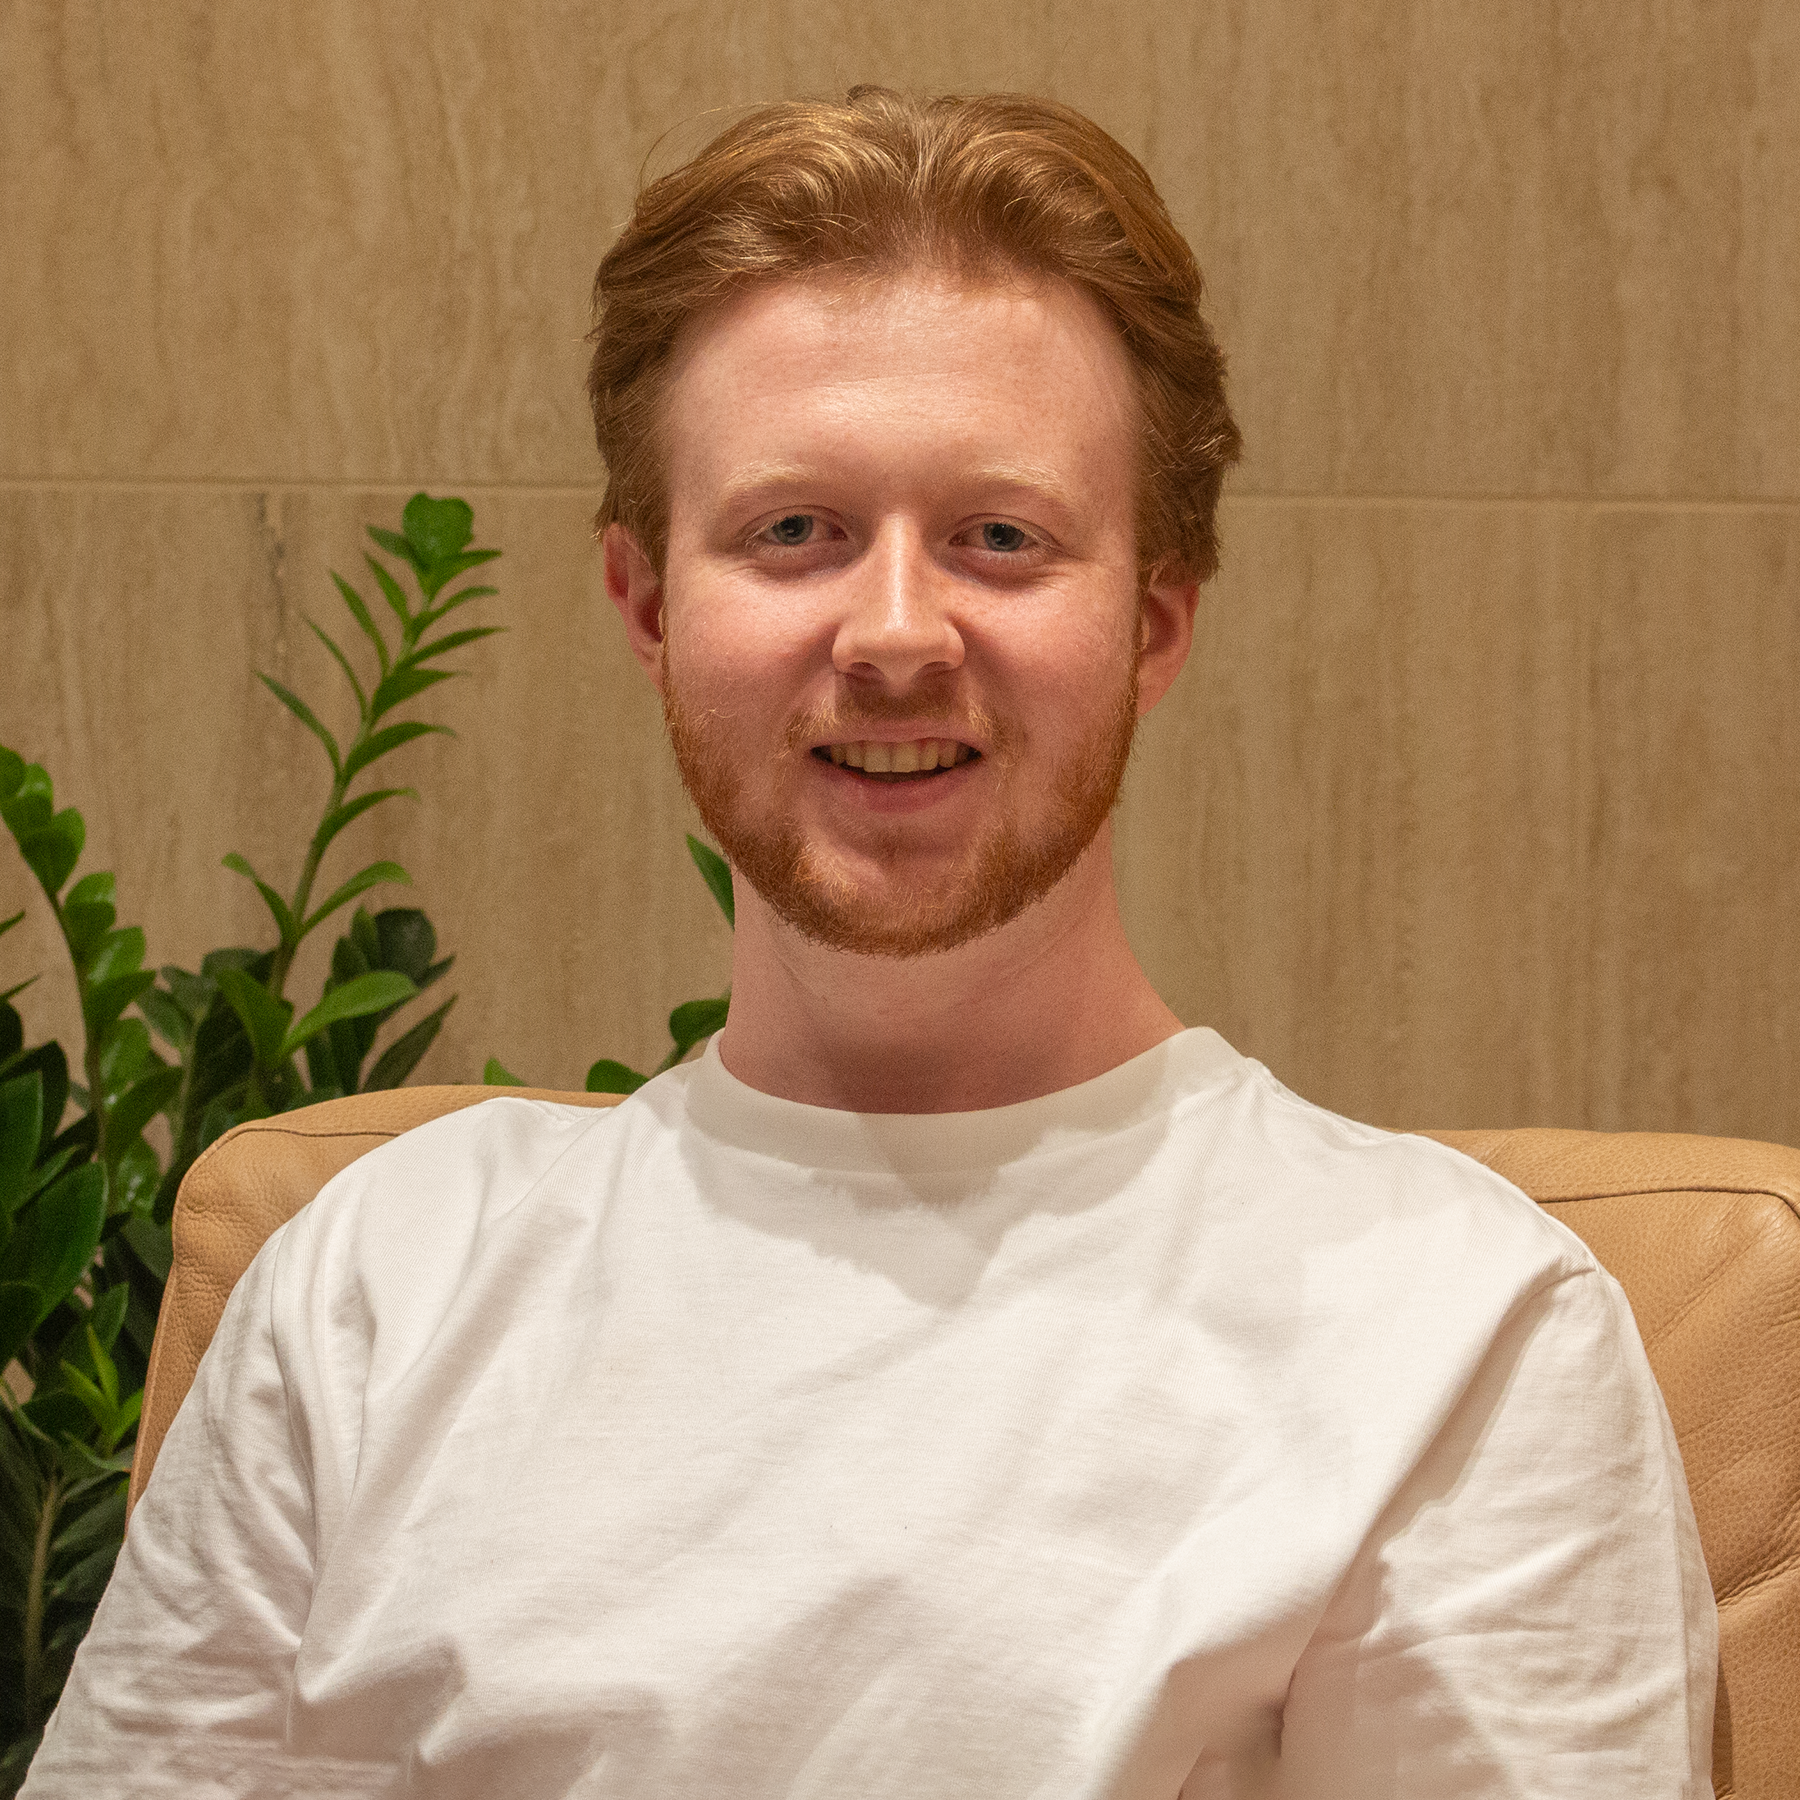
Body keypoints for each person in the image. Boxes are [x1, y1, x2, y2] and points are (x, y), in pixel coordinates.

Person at [25, 88, 1714, 1798]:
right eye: (794, 532)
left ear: (1154, 622)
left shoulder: (1459, 1330)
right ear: (646, 603)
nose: (897, 634)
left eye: (1001, 538)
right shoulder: (373, 1290)